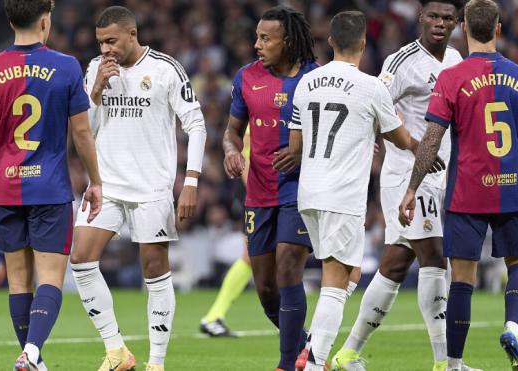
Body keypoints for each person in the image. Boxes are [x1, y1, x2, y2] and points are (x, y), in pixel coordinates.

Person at [0, 0, 103, 370]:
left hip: (6, 188)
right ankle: (32, 352)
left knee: (18, 284)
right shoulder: (67, 67)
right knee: (51, 278)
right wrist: (96, 181)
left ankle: (32, 357)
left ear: (8, 19)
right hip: (50, 188)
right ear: (45, 20)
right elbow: (82, 132)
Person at [399, 0, 518, 370]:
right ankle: (512, 326)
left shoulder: (451, 77)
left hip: (466, 191)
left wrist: (412, 187)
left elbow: (431, 139)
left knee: (462, 277)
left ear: (463, 28)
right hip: (511, 185)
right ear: (498, 29)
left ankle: (453, 364)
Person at [332, 2, 479, 371]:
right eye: (434, 16)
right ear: (420, 17)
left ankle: (347, 353)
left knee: (395, 265)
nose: (440, 24)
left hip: (442, 176)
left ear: (458, 23)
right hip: (407, 177)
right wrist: (376, 133)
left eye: (448, 18)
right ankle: (446, 363)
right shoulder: (401, 62)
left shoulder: (457, 59)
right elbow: (373, 101)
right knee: (434, 258)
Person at [69, 6, 207, 371]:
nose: (106, 49)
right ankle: (117, 351)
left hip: (152, 187)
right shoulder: (94, 71)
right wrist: (96, 90)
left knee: (154, 269)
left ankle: (156, 363)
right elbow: (87, 130)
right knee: (81, 258)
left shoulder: (165, 69)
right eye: (100, 42)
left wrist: (190, 181)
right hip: (106, 183)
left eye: (112, 41)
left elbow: (196, 124)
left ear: (133, 34)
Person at [288, 11, 415, 371]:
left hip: (309, 193)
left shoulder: (307, 82)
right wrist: (427, 147)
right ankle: (315, 362)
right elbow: (402, 139)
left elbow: (296, 145)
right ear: (363, 43)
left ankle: (313, 345)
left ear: (329, 42)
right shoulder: (370, 86)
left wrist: (361, 134)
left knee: (351, 272)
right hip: (342, 194)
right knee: (335, 276)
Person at [222, 6, 326, 370]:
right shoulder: (246, 78)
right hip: (258, 193)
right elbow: (232, 131)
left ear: (288, 41)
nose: (257, 45)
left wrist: (303, 154)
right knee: (266, 288)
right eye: (257, 37)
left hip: (300, 192)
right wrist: (232, 151)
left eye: (266, 38)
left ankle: (286, 365)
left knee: (287, 269)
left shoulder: (315, 79)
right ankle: (308, 353)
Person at [200, 128, 252, 337]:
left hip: (266, 192)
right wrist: (256, 194)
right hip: (260, 194)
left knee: (264, 257)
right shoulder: (259, 109)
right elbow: (246, 155)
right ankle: (213, 317)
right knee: (253, 257)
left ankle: (213, 317)